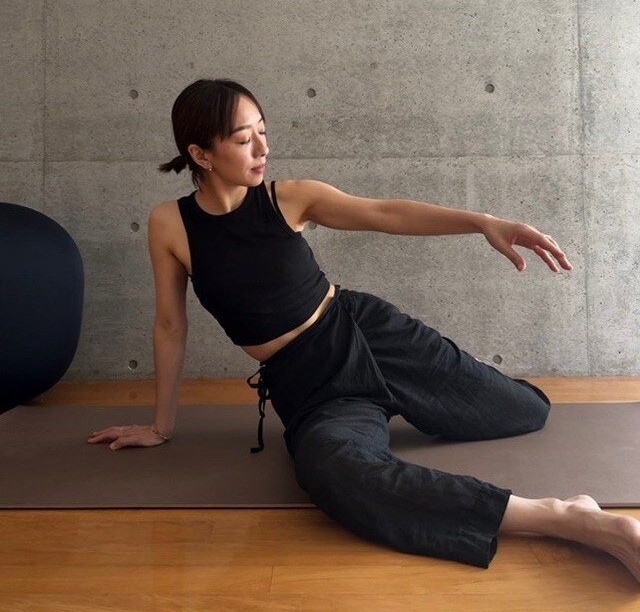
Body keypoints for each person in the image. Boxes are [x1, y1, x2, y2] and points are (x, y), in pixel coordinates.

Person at [88, 78, 640, 581]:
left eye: (263, 132)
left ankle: (424, 390)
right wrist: (161, 426)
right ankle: (568, 517)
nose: (262, 149)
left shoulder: (289, 197)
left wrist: (483, 223)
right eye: (242, 139)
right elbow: (169, 324)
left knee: (528, 411)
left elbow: (385, 214)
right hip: (312, 387)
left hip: (370, 335)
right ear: (200, 154)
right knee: (338, 475)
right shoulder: (170, 224)